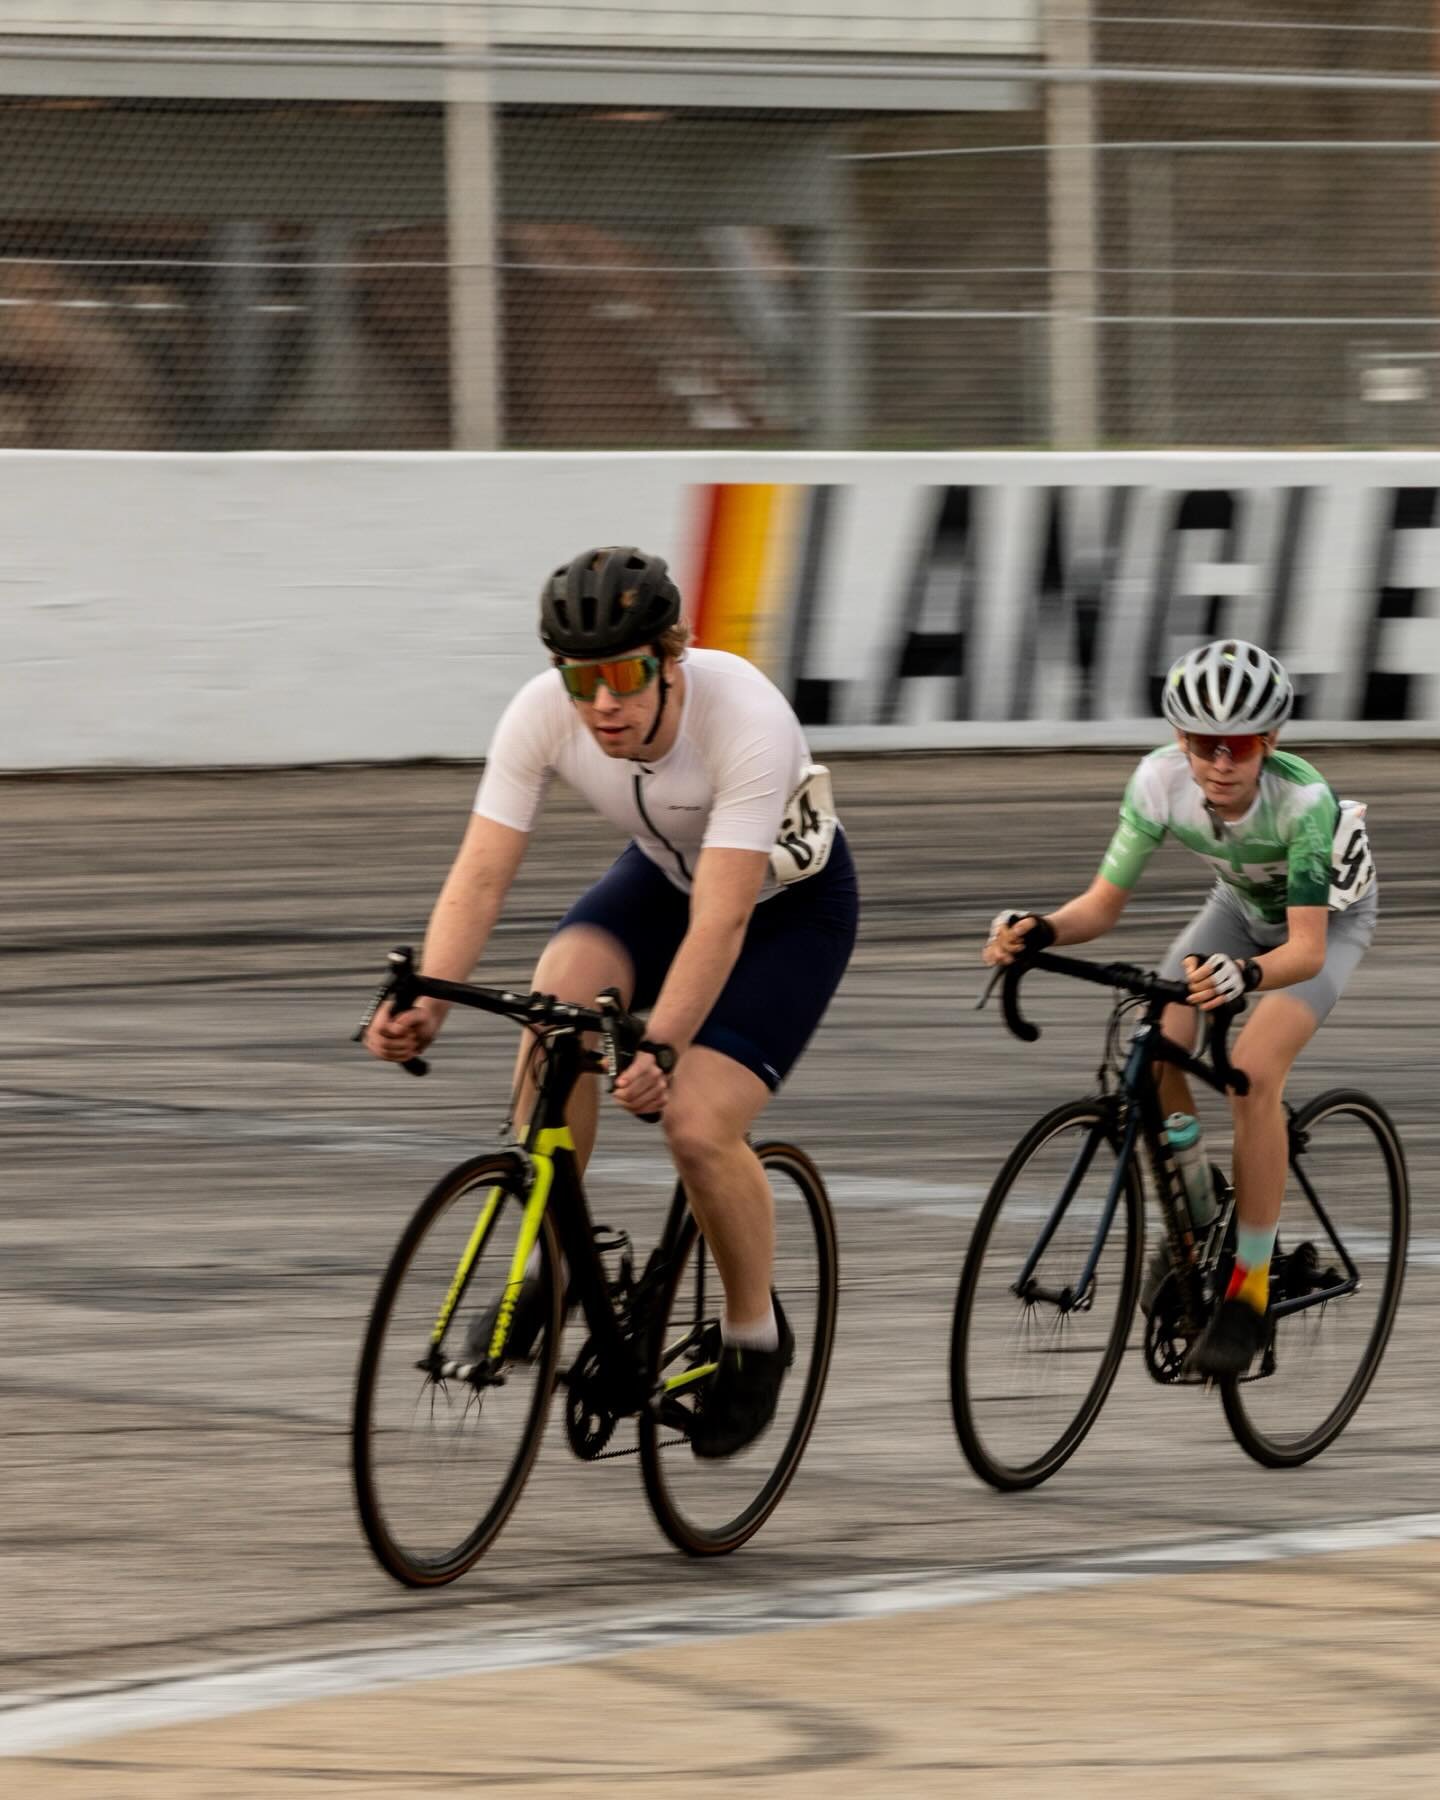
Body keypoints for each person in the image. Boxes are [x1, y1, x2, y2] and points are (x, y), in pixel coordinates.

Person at [365, 546, 859, 1454]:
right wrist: (430, 1000)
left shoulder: (745, 714)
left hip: (785, 913)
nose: (603, 705)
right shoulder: (540, 715)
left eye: (626, 676)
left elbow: (720, 924)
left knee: (698, 1126)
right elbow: (480, 874)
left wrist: (660, 1045)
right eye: (581, 679)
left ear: (671, 659)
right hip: (662, 878)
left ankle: (755, 1336)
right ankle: (546, 1271)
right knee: (554, 1006)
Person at [982, 638, 1377, 1377]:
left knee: (1253, 1073)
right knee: (1158, 1037)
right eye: (1203, 744)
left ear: (1269, 741)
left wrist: (1244, 975)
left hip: (1316, 929)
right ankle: (1198, 1213)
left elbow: (1305, 951)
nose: (1220, 763)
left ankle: (1250, 1291)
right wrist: (1039, 929)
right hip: (1236, 907)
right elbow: (1101, 907)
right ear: (1179, 740)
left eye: (1238, 745)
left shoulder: (1305, 804)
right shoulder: (1158, 783)